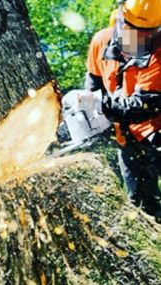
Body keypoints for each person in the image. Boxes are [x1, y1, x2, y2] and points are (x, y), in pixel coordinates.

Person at [85, 0, 161, 221]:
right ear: (119, 19)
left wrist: (101, 105)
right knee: (143, 208)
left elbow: (142, 107)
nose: (136, 38)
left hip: (155, 130)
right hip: (128, 141)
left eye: (144, 33)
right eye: (131, 30)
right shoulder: (101, 42)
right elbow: (93, 84)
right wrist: (88, 109)